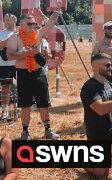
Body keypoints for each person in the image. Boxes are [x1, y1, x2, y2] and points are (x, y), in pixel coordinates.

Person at [6, 1, 62, 140]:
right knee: (25, 104)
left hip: (39, 73)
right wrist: (27, 53)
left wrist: (57, 9)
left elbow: (50, 24)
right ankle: (25, 132)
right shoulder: (14, 38)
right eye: (29, 23)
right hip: (23, 73)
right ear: (22, 24)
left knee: (43, 102)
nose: (32, 26)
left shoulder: (38, 34)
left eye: (33, 23)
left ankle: (48, 129)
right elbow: (9, 55)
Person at [0, 13, 17, 120]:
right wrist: (13, 36)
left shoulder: (20, 33)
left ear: (14, 21)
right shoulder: (1, 33)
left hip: (19, 64)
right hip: (4, 65)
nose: (6, 22)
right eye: (5, 20)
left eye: (9, 20)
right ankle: (5, 110)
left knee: (22, 86)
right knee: (5, 88)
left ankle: (23, 107)